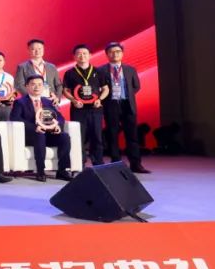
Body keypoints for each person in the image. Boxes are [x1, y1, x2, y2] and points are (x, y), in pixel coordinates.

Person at [11, 75, 73, 181]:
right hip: (31, 135)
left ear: (43, 87)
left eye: (40, 85)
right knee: (40, 135)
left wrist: (57, 125)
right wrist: (34, 128)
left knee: (64, 137)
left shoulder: (48, 101)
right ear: (27, 86)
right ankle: (40, 171)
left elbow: (60, 117)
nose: (37, 87)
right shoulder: (20, 102)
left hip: (49, 134)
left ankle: (62, 171)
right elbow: (15, 118)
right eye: (33, 84)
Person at [101, 42, 149, 173]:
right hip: (111, 105)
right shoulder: (101, 70)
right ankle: (115, 164)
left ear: (122, 53)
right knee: (112, 135)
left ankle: (136, 164)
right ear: (107, 54)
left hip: (127, 104)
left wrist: (126, 95)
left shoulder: (130, 69)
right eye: (111, 52)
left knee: (132, 135)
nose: (115, 54)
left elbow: (136, 86)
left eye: (117, 51)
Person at [62, 44, 109, 167]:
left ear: (90, 55)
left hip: (95, 109)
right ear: (74, 56)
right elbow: (65, 90)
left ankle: (98, 162)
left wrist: (100, 99)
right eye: (79, 54)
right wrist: (73, 100)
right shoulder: (70, 73)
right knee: (78, 136)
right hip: (78, 109)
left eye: (84, 53)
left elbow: (106, 89)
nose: (82, 56)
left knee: (97, 136)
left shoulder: (99, 71)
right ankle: (79, 163)